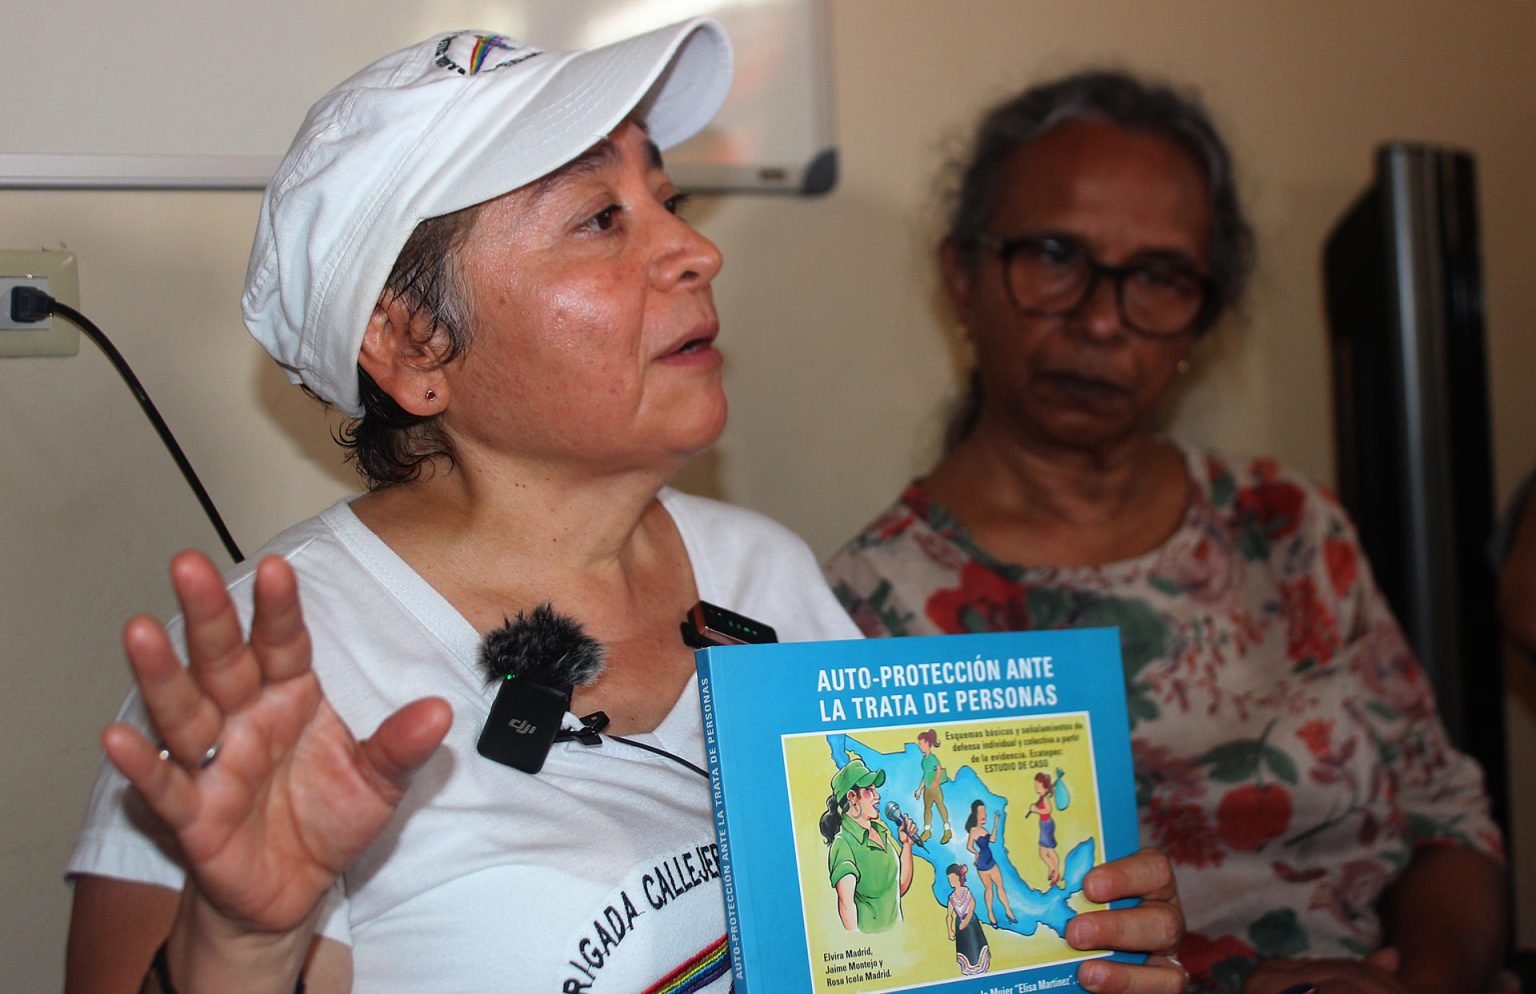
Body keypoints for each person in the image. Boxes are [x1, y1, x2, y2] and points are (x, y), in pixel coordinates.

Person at [63, 26, 1184, 994]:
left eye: (669, 199)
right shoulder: (280, 677)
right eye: (600, 218)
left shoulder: (766, 570)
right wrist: (242, 946)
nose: (697, 251)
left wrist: (1053, 945)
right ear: (414, 345)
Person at [824, 70, 1511, 994]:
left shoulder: (1290, 527)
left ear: (1202, 312)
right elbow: (936, 951)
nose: (1103, 321)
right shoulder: (870, 605)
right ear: (963, 274)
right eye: (1056, 256)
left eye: (1156, 277)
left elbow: (1447, 822)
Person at [821, 758, 914, 932]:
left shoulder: (881, 834)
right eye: (869, 790)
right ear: (852, 797)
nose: (877, 795)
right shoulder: (844, 844)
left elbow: (897, 889)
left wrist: (907, 845)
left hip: (898, 943)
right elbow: (846, 905)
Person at [964, 799, 1017, 925]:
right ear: (975, 815)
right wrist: (976, 853)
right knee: (989, 889)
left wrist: (995, 824)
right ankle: (990, 913)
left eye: (985, 814)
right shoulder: (973, 831)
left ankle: (1008, 911)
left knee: (1000, 887)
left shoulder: (984, 830)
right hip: (982, 864)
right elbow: (969, 846)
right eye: (981, 814)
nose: (984, 816)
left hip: (991, 861)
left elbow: (992, 840)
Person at [945, 863, 990, 975]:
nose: (950, 880)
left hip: (970, 923)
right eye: (949, 878)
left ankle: (980, 967)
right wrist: (950, 930)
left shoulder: (966, 891)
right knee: (966, 946)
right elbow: (949, 915)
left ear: (958, 877)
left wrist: (966, 921)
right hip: (961, 926)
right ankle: (970, 969)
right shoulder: (951, 897)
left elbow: (971, 907)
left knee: (975, 944)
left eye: (952, 878)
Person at [913, 728, 953, 843]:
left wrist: (936, 781)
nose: (919, 745)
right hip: (927, 789)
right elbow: (925, 775)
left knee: (940, 806)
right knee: (927, 809)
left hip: (935, 788)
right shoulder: (924, 760)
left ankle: (947, 830)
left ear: (927, 743)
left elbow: (939, 769)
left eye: (921, 743)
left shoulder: (932, 758)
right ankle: (927, 831)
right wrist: (919, 789)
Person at [1029, 770, 1064, 888]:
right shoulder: (1041, 797)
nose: (1036, 787)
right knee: (1044, 852)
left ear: (1044, 787)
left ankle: (1055, 870)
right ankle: (1053, 870)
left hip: (1047, 825)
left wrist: (1035, 810)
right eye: (1035, 785)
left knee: (1047, 851)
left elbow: (1047, 811)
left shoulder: (1044, 799)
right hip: (1044, 825)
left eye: (1038, 785)